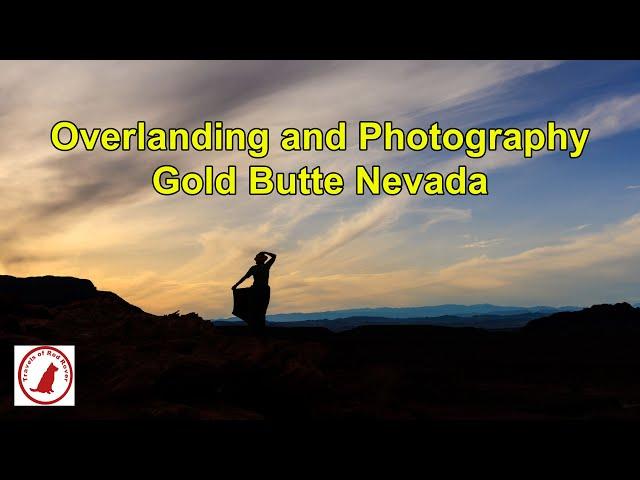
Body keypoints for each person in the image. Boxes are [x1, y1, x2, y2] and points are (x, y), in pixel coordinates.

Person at [231, 251, 276, 331]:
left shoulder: (266, 266)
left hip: (264, 290)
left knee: (262, 309)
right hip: (255, 290)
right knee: (253, 308)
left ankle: (260, 327)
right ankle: (253, 326)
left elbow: (274, 256)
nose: (255, 259)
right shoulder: (253, 268)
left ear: (261, 259)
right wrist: (236, 285)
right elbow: (245, 277)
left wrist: (264, 252)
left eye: (257, 257)